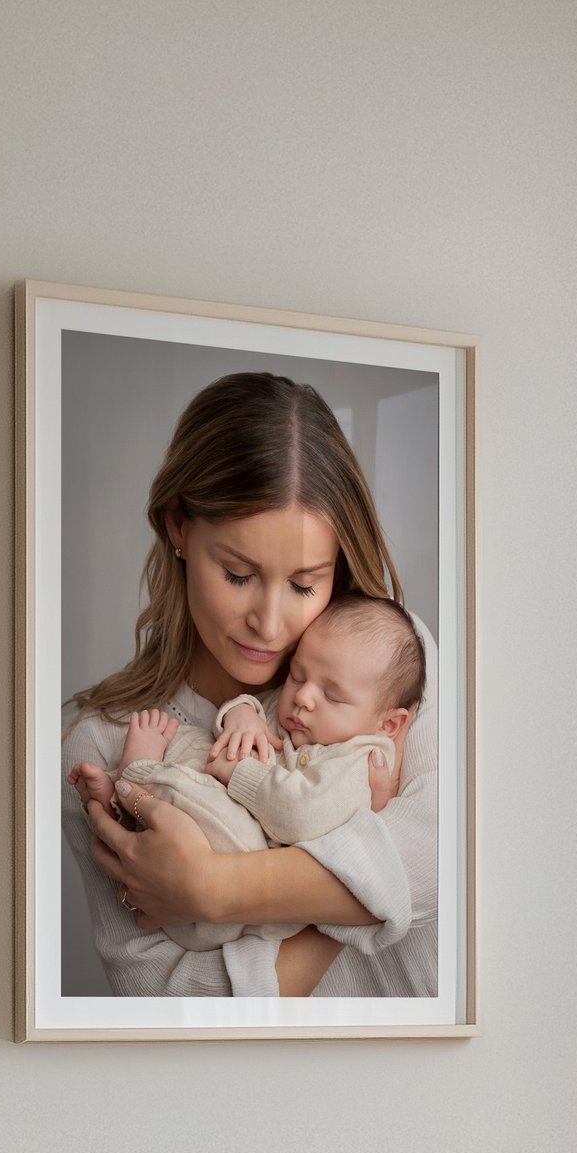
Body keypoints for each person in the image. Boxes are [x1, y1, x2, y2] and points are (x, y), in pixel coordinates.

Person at [62, 371, 438, 1000]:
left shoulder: (388, 667)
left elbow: (444, 860)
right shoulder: (97, 741)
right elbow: (166, 997)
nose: (269, 623)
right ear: (178, 526)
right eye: (238, 574)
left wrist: (212, 889)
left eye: (304, 584)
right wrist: (362, 898)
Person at [68, 594, 424, 954]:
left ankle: (136, 775)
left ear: (388, 723)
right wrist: (242, 714)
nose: (303, 697)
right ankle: (123, 797)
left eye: (332, 695)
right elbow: (256, 704)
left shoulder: (356, 761)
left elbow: (298, 816)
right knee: (198, 746)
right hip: (190, 847)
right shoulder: (299, 716)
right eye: (297, 675)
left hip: (234, 872)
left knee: (208, 799)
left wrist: (240, 773)